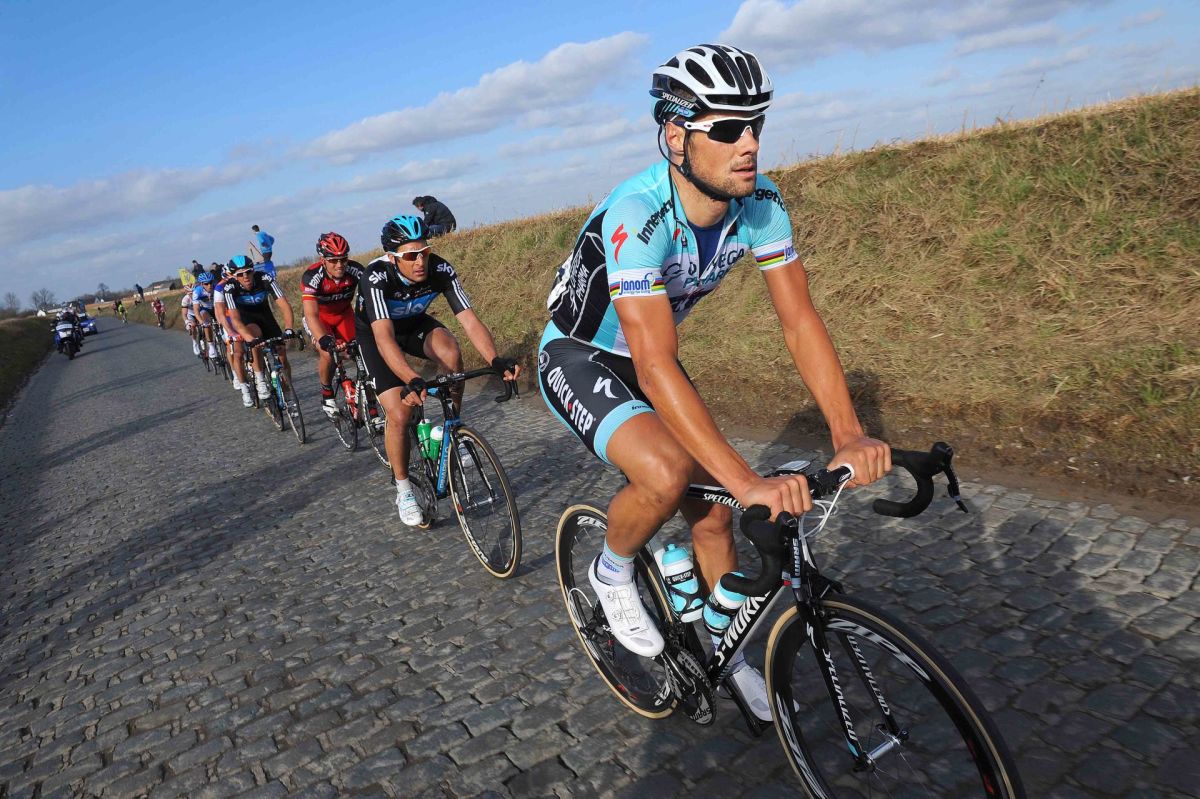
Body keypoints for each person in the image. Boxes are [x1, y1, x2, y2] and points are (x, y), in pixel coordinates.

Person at [538, 43, 891, 721]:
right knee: (668, 472)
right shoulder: (637, 215)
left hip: (652, 354)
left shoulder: (760, 202)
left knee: (717, 514)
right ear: (676, 136)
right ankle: (611, 569)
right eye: (727, 128)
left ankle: (728, 655)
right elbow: (652, 364)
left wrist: (848, 432)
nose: (749, 143)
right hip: (581, 355)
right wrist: (750, 479)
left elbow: (799, 320)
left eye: (756, 124)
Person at [355, 215, 519, 526]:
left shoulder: (440, 269)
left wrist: (495, 360)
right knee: (400, 413)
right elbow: (384, 339)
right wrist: (411, 379)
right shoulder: (375, 277)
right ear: (392, 258)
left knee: (451, 353)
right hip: (377, 336)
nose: (420, 262)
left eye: (425, 252)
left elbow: (469, 320)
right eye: (410, 256)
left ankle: (452, 429)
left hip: (414, 325)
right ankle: (404, 489)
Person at [301, 232, 364, 418]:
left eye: (343, 259)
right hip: (320, 319)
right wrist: (324, 339)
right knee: (328, 354)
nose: (339, 265)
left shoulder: (356, 270)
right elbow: (311, 314)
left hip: (344, 315)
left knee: (362, 349)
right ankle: (327, 393)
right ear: (323, 260)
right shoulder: (312, 276)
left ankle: (367, 393)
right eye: (333, 260)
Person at [221, 254, 296, 401]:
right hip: (247, 321)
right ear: (235, 276)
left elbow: (285, 306)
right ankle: (260, 379)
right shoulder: (230, 288)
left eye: (248, 272)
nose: (246, 277)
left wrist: (289, 328)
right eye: (240, 274)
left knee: (282, 354)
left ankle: (287, 390)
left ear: (253, 271)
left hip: (266, 318)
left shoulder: (265, 278)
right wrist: (249, 339)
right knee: (254, 338)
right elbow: (235, 319)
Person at [213, 263, 252, 406]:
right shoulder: (219, 288)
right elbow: (220, 314)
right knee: (236, 351)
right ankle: (242, 384)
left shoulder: (242, 284)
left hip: (243, 317)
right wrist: (230, 332)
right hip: (228, 320)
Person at [190, 273, 220, 361]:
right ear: (201, 284)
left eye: (211, 282)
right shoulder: (197, 291)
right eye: (206, 283)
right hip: (205, 309)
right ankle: (211, 346)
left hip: (216, 307)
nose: (209, 285)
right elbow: (196, 310)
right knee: (206, 321)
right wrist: (201, 322)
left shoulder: (217, 287)